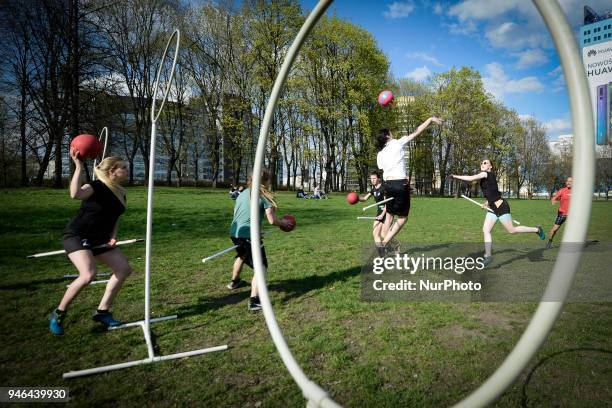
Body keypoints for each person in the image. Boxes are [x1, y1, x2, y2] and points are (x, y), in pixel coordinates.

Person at [49, 150, 132, 335]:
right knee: (88, 274)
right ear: (112, 171)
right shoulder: (96, 186)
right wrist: (78, 166)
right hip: (77, 235)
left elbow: (116, 217)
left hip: (101, 238)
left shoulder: (121, 192)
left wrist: (113, 235)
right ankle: (59, 313)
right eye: (123, 168)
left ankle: (103, 312)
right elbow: (75, 193)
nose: (127, 170)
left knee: (123, 269)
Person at [453, 158, 545, 266]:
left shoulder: (487, 174)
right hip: (493, 208)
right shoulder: (485, 178)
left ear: (490, 167)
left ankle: (537, 229)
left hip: (501, 207)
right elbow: (493, 192)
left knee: (512, 231)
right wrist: (487, 202)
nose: (483, 164)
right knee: (486, 230)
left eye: (485, 163)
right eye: (481, 163)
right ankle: (488, 256)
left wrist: (455, 176)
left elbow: (471, 178)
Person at [375, 117, 443, 255]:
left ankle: (385, 242)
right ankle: (384, 243)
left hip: (388, 184)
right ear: (388, 135)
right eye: (391, 132)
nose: (393, 133)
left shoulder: (380, 154)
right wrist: (430, 120)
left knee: (389, 215)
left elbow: (382, 169)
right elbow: (417, 131)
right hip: (400, 184)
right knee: (403, 218)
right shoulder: (397, 143)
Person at [227, 170, 291, 312]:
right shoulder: (263, 195)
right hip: (249, 235)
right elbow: (272, 220)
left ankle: (234, 282)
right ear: (266, 181)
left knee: (242, 255)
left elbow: (242, 214)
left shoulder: (242, 193)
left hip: (235, 232)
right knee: (261, 266)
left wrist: (254, 229)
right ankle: (254, 300)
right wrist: (283, 223)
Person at [359, 170, 387, 246]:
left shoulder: (384, 188)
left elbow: (387, 203)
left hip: (386, 213)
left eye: (374, 178)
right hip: (379, 212)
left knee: (384, 235)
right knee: (375, 233)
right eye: (371, 179)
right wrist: (356, 198)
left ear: (379, 179)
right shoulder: (373, 189)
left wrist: (382, 215)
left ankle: (396, 244)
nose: (372, 180)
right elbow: (364, 199)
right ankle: (382, 253)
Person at [547, 176, 572, 249]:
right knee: (554, 229)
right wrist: (553, 200)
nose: (568, 182)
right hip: (562, 214)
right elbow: (554, 198)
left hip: (572, 215)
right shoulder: (562, 190)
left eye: (570, 181)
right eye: (567, 181)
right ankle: (550, 241)